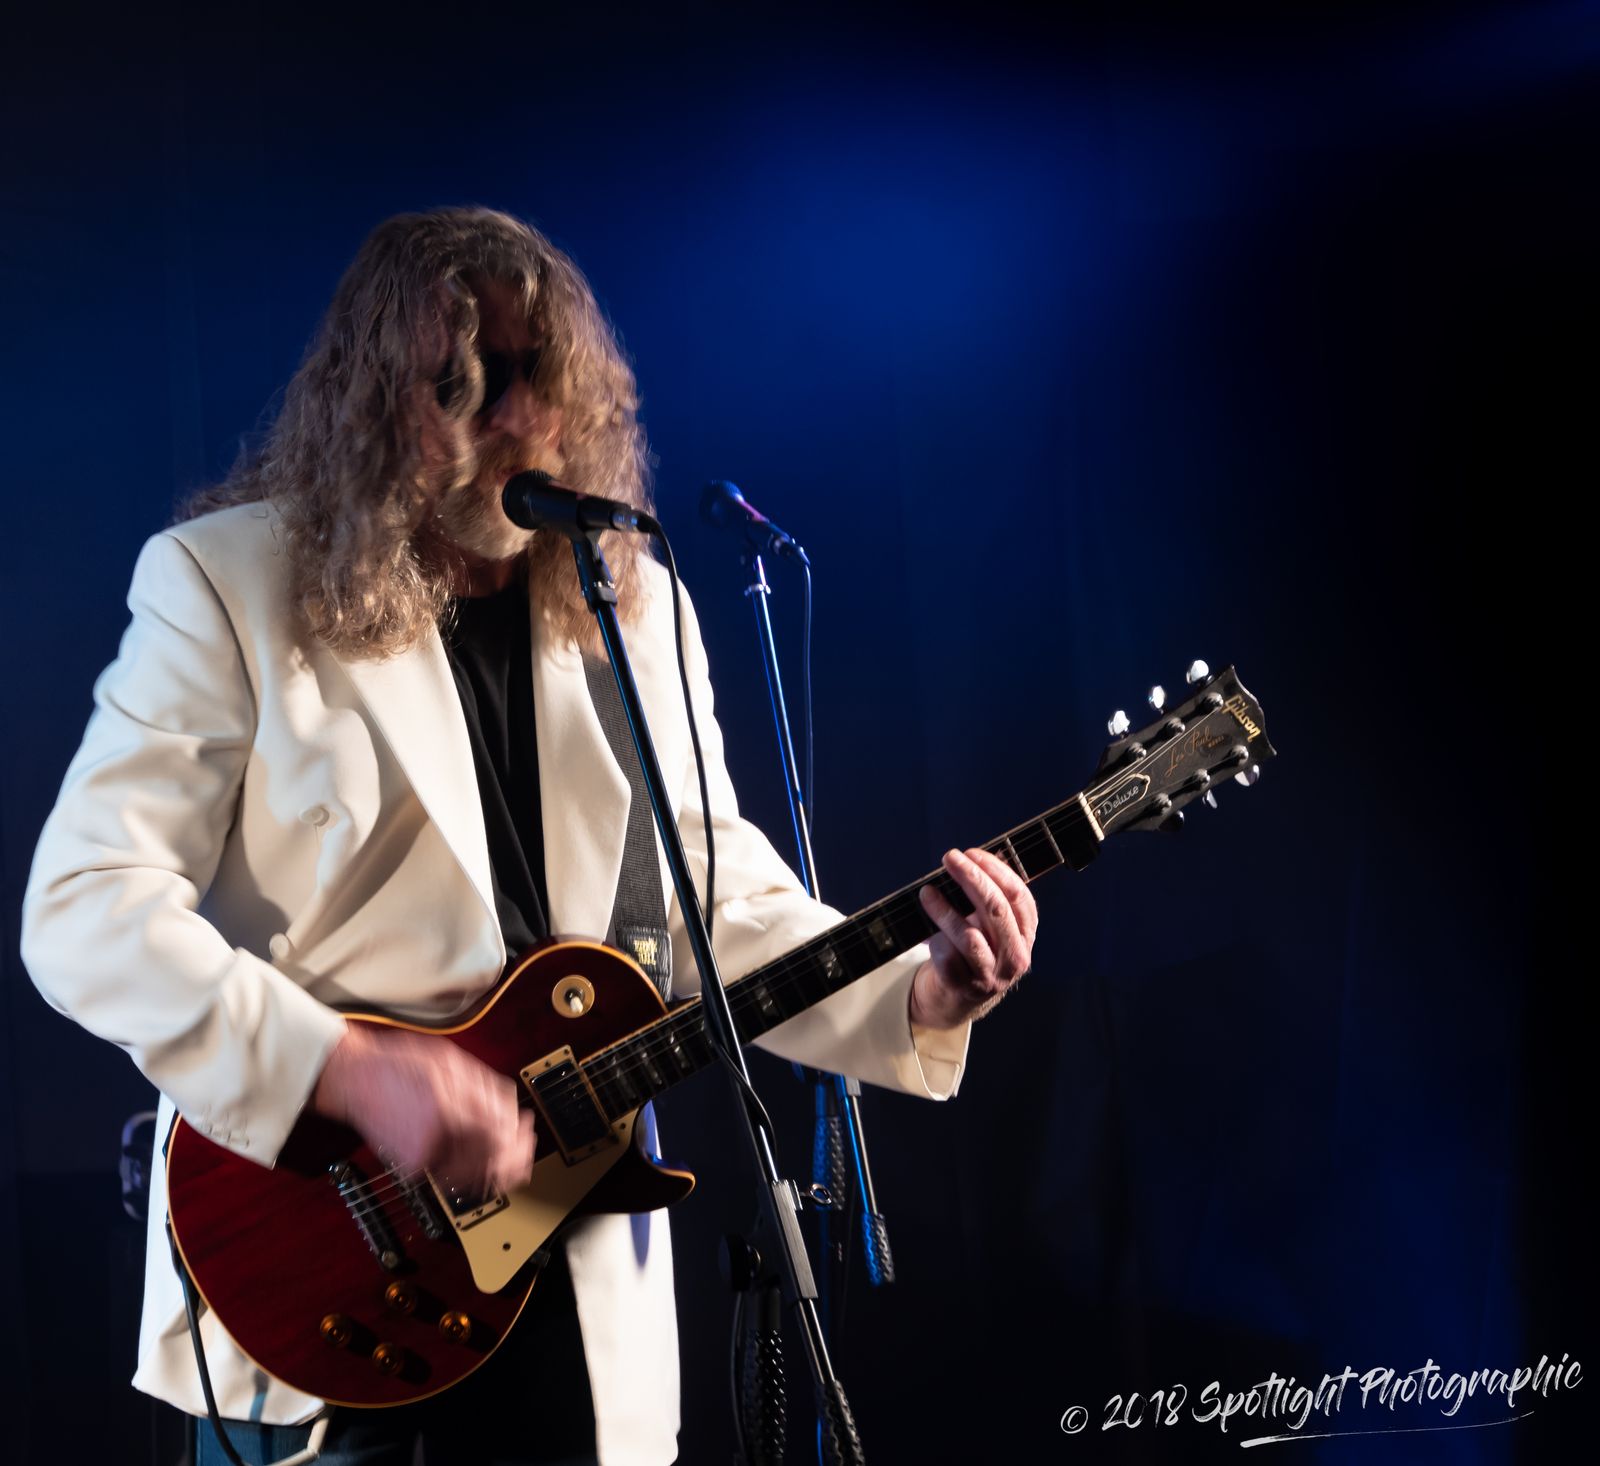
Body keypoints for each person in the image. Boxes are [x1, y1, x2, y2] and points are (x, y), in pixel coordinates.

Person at [20, 206, 1037, 1465]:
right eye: (463, 383)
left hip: (572, 1268)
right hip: (322, 1278)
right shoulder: (226, 584)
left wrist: (923, 990)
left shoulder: (635, 603)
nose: (514, 416)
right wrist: (352, 1069)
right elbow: (84, 907)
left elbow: (710, 900)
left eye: (535, 376)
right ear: (370, 406)